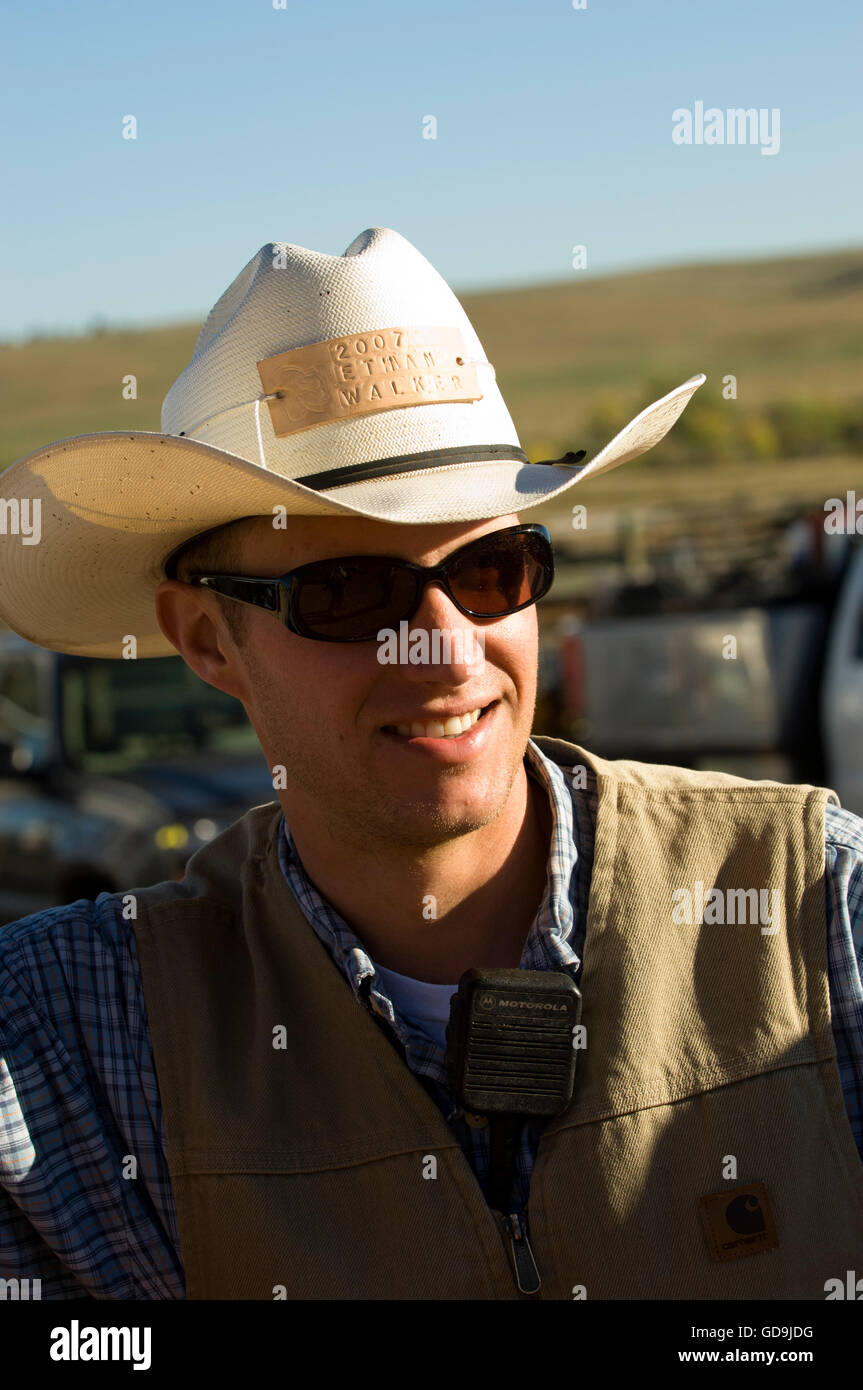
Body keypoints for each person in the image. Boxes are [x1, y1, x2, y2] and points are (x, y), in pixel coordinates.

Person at [0, 228, 860, 1301]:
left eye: (495, 570)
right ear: (208, 641)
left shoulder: (814, 906)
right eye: (352, 593)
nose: (448, 648)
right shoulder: (73, 1048)